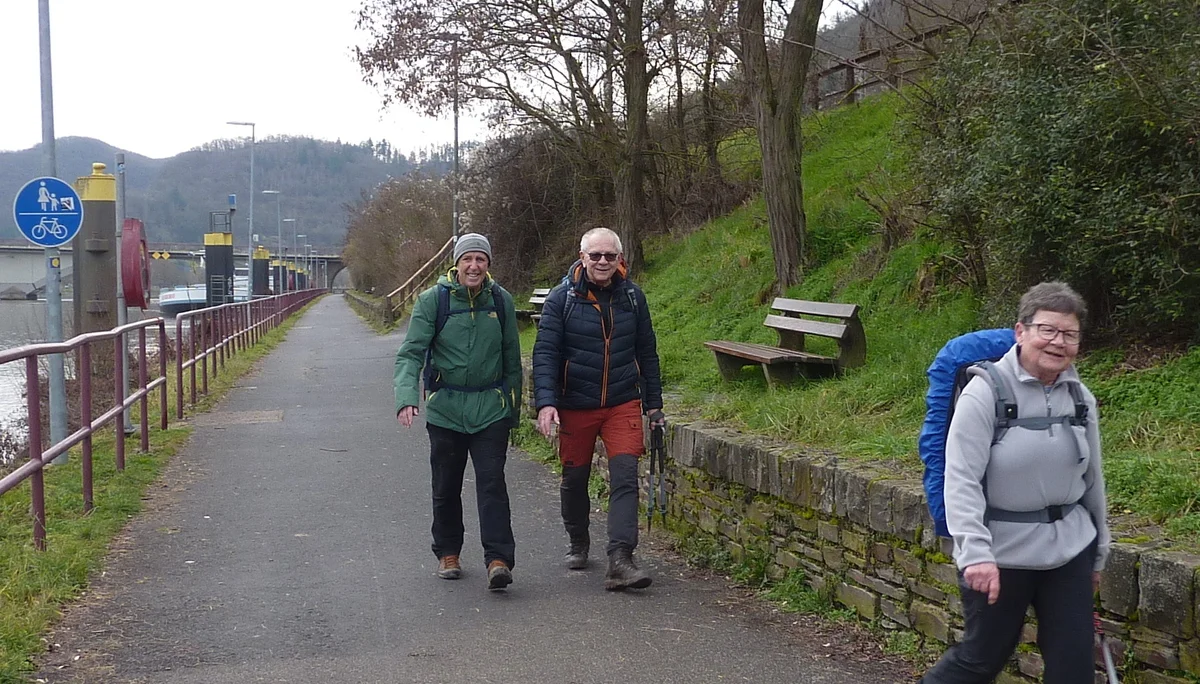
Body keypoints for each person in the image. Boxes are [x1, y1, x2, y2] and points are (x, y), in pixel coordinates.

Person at [921, 281, 1110, 684]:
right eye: (1048, 329)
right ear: (1021, 331)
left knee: (1074, 668)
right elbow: (961, 479)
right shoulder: (984, 393)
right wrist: (975, 553)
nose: (1058, 342)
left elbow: (1093, 480)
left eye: (1070, 334)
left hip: (1070, 550)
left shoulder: (1080, 397)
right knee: (980, 661)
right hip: (1000, 553)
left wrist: (1099, 550)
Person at [532, 227, 665, 590]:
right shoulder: (562, 299)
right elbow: (545, 354)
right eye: (596, 255)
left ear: (620, 259)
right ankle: (578, 539)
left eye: (610, 256)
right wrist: (546, 403)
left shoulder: (633, 298)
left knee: (625, 477)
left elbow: (647, 352)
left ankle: (620, 558)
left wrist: (654, 405)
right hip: (575, 403)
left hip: (622, 401)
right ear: (582, 257)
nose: (603, 262)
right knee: (575, 479)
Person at [393, 233, 522, 591]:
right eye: (468, 259)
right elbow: (411, 353)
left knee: (492, 484)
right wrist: (407, 396)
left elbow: (512, 359)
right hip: (446, 410)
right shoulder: (433, 301)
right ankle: (448, 552)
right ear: (457, 263)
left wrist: (513, 411)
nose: (474, 266)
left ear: (488, 264)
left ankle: (498, 560)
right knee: (446, 485)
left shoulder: (501, 300)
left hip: (490, 409)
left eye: (481, 259)